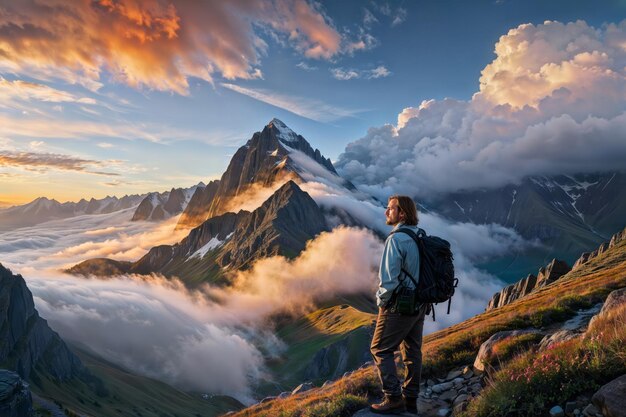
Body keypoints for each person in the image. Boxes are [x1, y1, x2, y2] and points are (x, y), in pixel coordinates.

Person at [370, 195, 427, 415]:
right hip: (420, 303)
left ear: (402, 213)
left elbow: (389, 280)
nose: (386, 212)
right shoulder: (418, 234)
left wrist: (382, 302)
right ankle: (410, 399)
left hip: (400, 304)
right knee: (412, 350)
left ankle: (393, 398)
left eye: (390, 208)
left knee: (380, 348)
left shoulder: (395, 239)